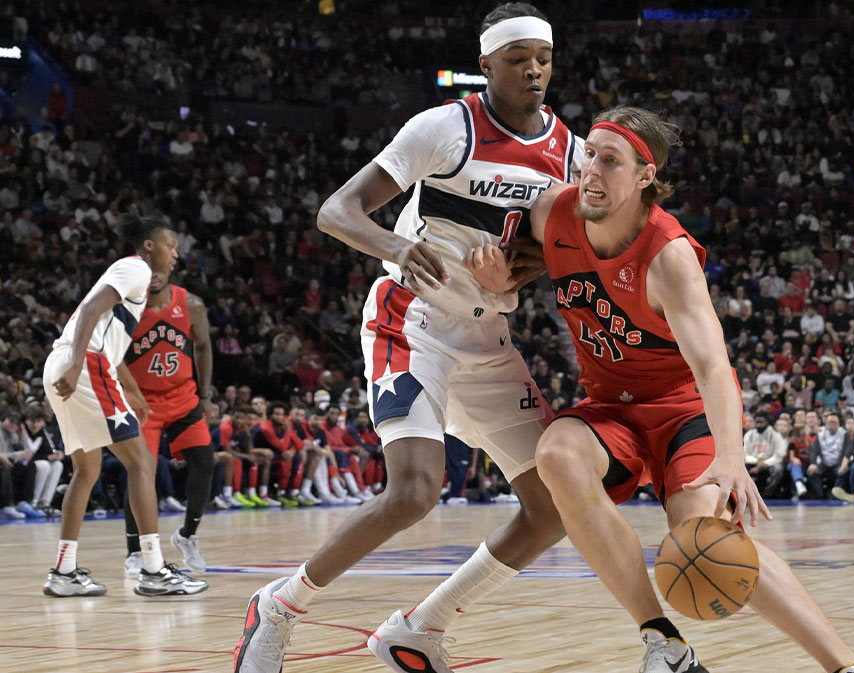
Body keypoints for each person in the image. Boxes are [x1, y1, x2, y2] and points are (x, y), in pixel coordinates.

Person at [468, 106, 854, 673]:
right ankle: (663, 642)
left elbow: (713, 367)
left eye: (609, 162)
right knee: (556, 456)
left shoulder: (669, 256)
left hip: (684, 410)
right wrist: (500, 287)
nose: (590, 170)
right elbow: (521, 265)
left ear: (644, 176)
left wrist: (732, 458)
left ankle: (848, 667)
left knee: (700, 540)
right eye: (588, 154)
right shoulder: (553, 213)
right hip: (610, 408)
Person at [236, 5, 579, 673]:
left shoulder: (568, 151)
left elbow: (545, 257)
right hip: (409, 321)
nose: (534, 68)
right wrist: (396, 244)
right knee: (415, 490)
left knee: (555, 505)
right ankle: (277, 605)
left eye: (543, 56)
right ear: (486, 66)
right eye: (518, 58)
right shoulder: (444, 127)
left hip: (487, 336)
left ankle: (420, 629)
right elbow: (337, 210)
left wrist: (525, 267)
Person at [40, 213, 206, 597]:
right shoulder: (135, 268)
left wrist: (133, 392)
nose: (175, 254)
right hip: (83, 363)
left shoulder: (133, 280)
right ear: (149, 245)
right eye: (171, 245)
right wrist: (80, 361)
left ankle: (63, 572)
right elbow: (93, 308)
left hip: (69, 364)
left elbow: (112, 345)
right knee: (142, 462)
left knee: (86, 470)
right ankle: (153, 569)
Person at [121, 276, 217, 575]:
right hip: (142, 402)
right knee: (141, 470)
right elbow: (111, 356)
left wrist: (205, 394)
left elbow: (203, 347)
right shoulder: (125, 307)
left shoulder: (191, 304)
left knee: (204, 461)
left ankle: (187, 534)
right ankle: (135, 551)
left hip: (182, 397)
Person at [742, 412, 788, 498]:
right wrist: (757, 462)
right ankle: (746, 494)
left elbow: (779, 454)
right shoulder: (749, 434)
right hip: (753, 462)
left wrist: (765, 463)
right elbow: (745, 453)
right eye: (757, 422)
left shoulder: (775, 435)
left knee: (778, 469)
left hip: (770, 463)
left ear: (767, 422)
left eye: (761, 422)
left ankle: (767, 493)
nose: (759, 424)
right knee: (740, 467)